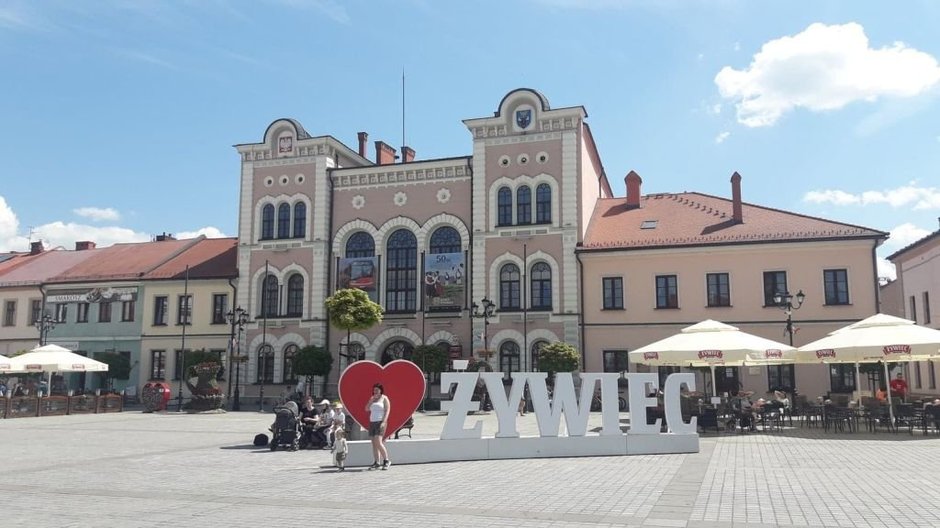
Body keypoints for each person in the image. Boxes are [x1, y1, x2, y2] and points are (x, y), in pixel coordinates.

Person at [366, 382, 391, 470]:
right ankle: (377, 462)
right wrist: (371, 401)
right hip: (372, 422)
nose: (375, 391)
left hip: (380, 422)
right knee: (373, 443)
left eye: (377, 389)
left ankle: (386, 460)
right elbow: (366, 409)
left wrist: (384, 422)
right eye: (374, 390)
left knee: (379, 442)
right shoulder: (372, 398)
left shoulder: (384, 398)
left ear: (381, 390)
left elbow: (387, 410)